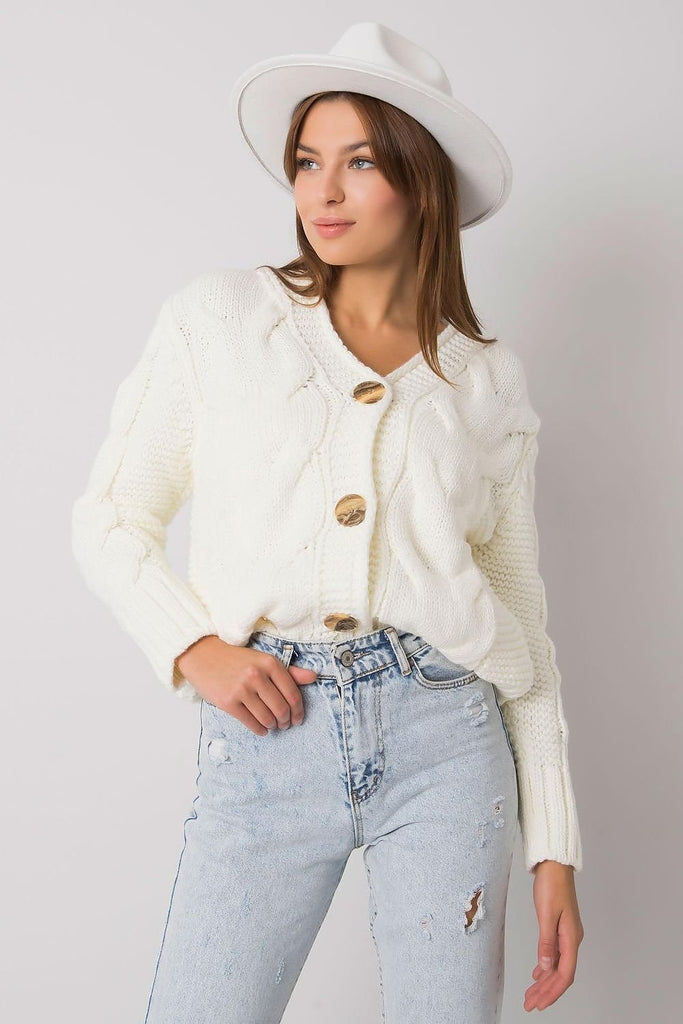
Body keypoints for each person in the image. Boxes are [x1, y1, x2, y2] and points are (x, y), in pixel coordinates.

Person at [71, 21, 584, 1024]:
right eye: (308, 162)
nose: (323, 192)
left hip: (449, 739)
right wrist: (197, 650)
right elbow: (111, 518)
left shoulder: (483, 379)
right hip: (270, 735)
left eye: (359, 162)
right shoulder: (220, 320)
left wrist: (553, 846)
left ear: (419, 182)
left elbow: (521, 624)